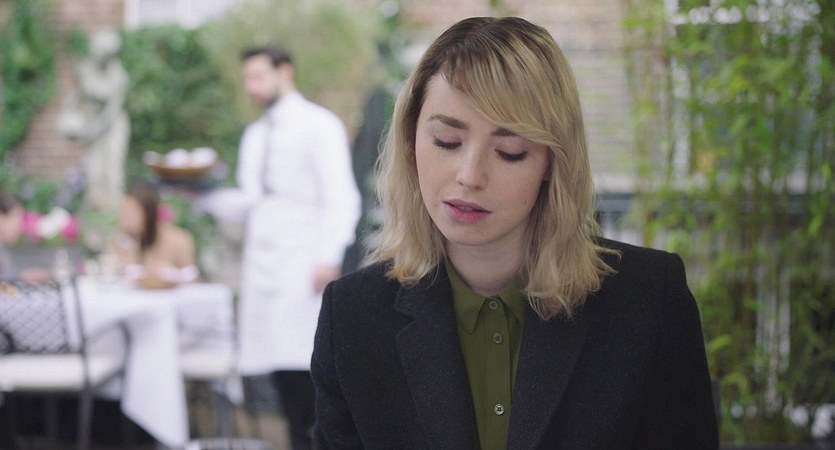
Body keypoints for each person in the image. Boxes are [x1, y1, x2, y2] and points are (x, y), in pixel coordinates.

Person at [311, 16, 719, 449]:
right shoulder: (352, 317)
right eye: (447, 141)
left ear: (553, 162)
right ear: (411, 142)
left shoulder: (650, 300)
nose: (470, 175)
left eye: (510, 151)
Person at [233, 46, 361, 449]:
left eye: (258, 76)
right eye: (247, 78)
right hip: (263, 266)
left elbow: (341, 197)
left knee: (311, 370)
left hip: (304, 263)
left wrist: (328, 256)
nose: (251, 87)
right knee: (278, 373)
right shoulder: (255, 135)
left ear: (284, 71)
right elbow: (249, 201)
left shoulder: (319, 125)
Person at [119, 181, 197, 287]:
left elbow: (192, 275)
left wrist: (174, 274)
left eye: (131, 211)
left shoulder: (178, 239)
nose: (125, 218)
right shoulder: (122, 239)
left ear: (148, 212)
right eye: (124, 212)